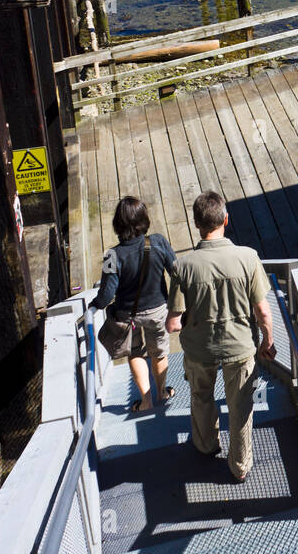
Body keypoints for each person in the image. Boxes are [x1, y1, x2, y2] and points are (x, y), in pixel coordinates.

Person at [166, 191, 276, 483]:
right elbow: (263, 312)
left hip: (200, 351)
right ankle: (240, 466)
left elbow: (173, 325)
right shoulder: (248, 257)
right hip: (240, 348)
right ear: (226, 219)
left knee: (201, 397)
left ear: (196, 224)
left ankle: (205, 444)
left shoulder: (182, 267)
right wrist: (267, 342)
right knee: (240, 406)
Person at [90, 196, 176, 413]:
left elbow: (106, 294)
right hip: (158, 310)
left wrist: (95, 305)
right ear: (143, 219)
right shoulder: (159, 241)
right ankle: (162, 392)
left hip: (128, 316)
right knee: (159, 352)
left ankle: (145, 402)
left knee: (135, 352)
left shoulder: (112, 255)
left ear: (118, 224)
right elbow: (176, 270)